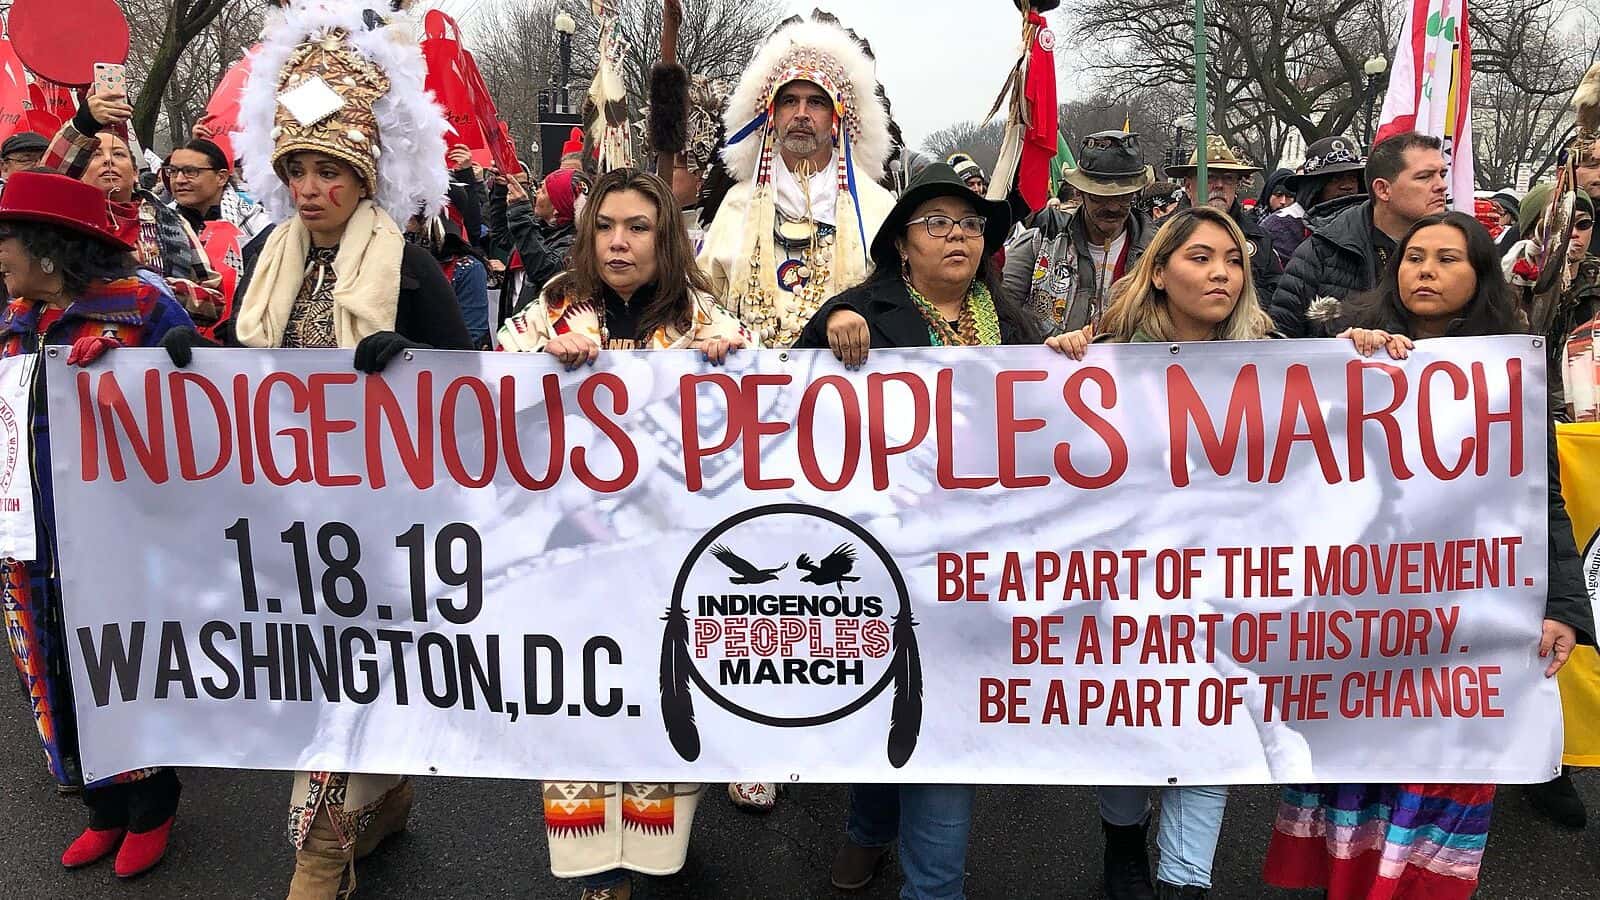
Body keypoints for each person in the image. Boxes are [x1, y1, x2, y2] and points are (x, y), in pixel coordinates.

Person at [159, 6, 472, 897]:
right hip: (285, 525)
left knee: (360, 684)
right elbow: (254, 379)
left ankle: (323, 851)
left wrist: (408, 365)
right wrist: (196, 358)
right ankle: (391, 794)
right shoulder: (264, 257)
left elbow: (472, 392)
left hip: (385, 528)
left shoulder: (406, 266)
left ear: (361, 175)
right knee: (315, 686)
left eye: (327, 170)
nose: (308, 187)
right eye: (295, 168)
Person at [1262, 210, 1594, 900]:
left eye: (1448, 259)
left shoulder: (1509, 375)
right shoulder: (1343, 351)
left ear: (1480, 277)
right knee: (1353, 766)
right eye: (1415, 257)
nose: (1426, 271)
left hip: (1464, 617)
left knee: (1438, 769)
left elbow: (1544, 503)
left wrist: (1561, 604)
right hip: (1358, 615)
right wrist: (1339, 360)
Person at [499, 168, 750, 900]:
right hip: (568, 559)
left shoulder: (709, 318)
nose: (619, 241)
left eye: (638, 227)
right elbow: (481, 401)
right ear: (586, 233)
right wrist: (537, 367)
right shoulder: (549, 310)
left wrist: (733, 367)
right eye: (606, 225)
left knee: (664, 706)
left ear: (664, 237)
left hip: (670, 562)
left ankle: (652, 855)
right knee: (583, 707)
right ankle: (596, 873)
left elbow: (760, 431)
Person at [795, 163, 1041, 899]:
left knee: (942, 713)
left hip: (983, 561)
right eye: (937, 223)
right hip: (886, 552)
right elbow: (788, 408)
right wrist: (825, 329)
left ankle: (919, 875)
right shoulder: (859, 312)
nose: (956, 235)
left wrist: (1065, 360)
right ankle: (876, 835)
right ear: (902, 245)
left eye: (968, 224)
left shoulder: (1016, 325)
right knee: (893, 702)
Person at [1045, 207, 1272, 900]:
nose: (1221, 273)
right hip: (1126, 583)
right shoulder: (1100, 357)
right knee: (1130, 714)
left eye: (1233, 260)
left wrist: (1362, 349)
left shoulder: (1280, 356)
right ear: (1161, 272)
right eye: (1201, 257)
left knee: (1215, 717)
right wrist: (1047, 367)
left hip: (1227, 584)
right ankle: (1123, 835)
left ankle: (1183, 877)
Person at [0, 170, 194, 878]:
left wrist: (134, 376)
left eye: (8, 239)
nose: (1, 255)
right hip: (31, 534)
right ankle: (101, 805)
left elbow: (202, 398)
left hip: (121, 532)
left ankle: (153, 800)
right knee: (52, 667)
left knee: (120, 658)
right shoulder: (18, 320)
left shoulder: (140, 307)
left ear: (49, 248)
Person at [697, 12, 897, 350]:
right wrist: (720, 332)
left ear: (835, 118)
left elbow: (898, 300)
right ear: (772, 115)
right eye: (789, 101)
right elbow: (702, 295)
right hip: (752, 384)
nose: (801, 113)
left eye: (816, 102)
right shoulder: (737, 204)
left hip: (847, 385)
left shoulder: (875, 205)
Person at [42, 86, 226, 330]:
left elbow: (215, 300)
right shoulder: (65, 221)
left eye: (118, 154)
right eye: (96, 155)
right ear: (78, 168)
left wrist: (155, 291)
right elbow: (42, 183)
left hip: (151, 352)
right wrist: (83, 124)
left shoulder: (172, 220)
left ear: (136, 172)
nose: (108, 160)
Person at [1270, 131, 1447, 337]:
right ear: (1382, 189)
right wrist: (1341, 349)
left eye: (1442, 175)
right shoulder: (1321, 252)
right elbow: (1279, 344)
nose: (1441, 186)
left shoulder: (1466, 246)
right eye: (1425, 177)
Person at [1002, 130, 1155, 331]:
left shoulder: (1158, 251)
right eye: (1099, 197)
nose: (1113, 207)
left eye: (1123, 197)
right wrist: (1049, 345)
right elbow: (1002, 316)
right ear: (1078, 192)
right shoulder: (1039, 243)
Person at [1166, 135, 1282, 303]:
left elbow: (1275, 292)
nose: (1219, 185)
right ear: (1189, 186)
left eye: (1228, 178)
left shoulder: (1259, 239)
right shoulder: (1162, 234)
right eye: (1210, 177)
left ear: (1236, 186)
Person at [496, 167, 588, 328]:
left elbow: (545, 271)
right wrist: (499, 191)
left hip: (543, 339)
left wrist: (521, 214)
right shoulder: (539, 229)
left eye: (543, 191)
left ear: (558, 205)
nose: (537, 193)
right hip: (517, 331)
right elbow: (501, 237)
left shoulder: (578, 245)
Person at [1260, 136, 1367, 268]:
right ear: (1316, 185)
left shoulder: (1366, 223)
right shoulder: (1280, 226)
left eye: (1352, 178)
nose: (1347, 186)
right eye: (1336, 179)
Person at [164, 138, 271, 240]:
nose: (179, 180)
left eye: (191, 171)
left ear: (221, 177)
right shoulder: (157, 224)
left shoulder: (259, 229)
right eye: (173, 171)